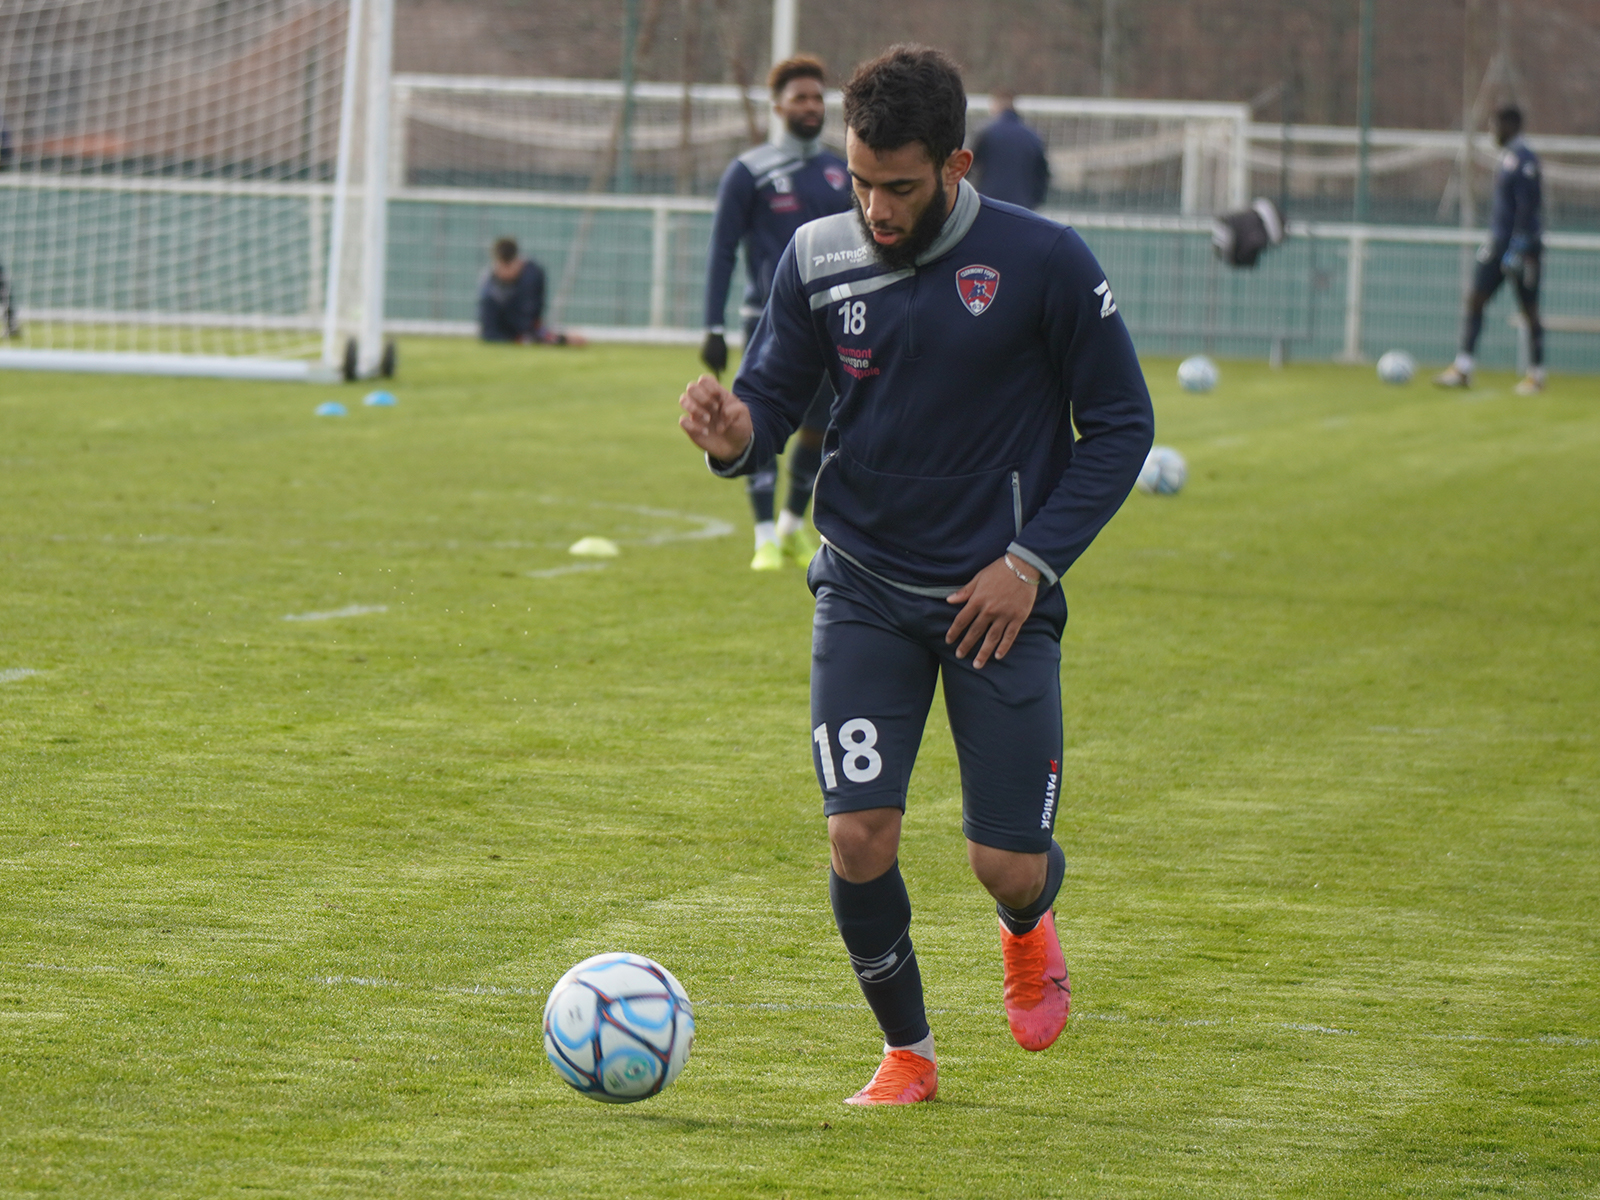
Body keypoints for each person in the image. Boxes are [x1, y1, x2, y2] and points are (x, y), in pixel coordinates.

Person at [677, 45, 1153, 1105]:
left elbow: (1122, 425)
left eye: (899, 186)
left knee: (1005, 865)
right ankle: (909, 1054)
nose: (876, 209)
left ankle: (1028, 923)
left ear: (956, 164)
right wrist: (731, 431)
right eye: (859, 181)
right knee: (857, 835)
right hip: (863, 585)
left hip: (998, 604)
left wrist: (1028, 564)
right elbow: (767, 406)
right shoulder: (815, 257)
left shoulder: (1046, 261)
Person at [702, 54, 853, 570]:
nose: (811, 106)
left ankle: (791, 524)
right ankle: (763, 535)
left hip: (835, 320)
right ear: (778, 106)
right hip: (768, 319)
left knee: (823, 422)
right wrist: (713, 326)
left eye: (817, 97)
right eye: (800, 98)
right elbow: (722, 250)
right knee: (759, 416)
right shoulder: (749, 172)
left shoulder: (842, 170)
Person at [1434, 105, 1544, 395]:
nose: (1491, 132)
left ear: (1510, 126)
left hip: (1523, 247)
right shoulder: (1507, 158)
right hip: (1498, 245)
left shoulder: (1525, 159)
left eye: (1495, 126)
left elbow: (1528, 206)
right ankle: (1463, 367)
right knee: (1475, 299)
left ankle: (1536, 375)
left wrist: (1520, 246)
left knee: (1529, 310)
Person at [477, 238, 582, 346]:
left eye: (509, 266)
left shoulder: (532, 274)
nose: (505, 272)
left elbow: (532, 314)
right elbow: (488, 329)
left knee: (574, 340)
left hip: (528, 332)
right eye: (503, 266)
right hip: (506, 334)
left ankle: (558, 338)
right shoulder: (489, 284)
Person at [970, 89, 1050, 210]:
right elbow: (1042, 174)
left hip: (987, 203)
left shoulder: (986, 133)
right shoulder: (1032, 136)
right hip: (1022, 207)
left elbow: (968, 165)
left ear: (995, 105)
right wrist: (1035, 201)